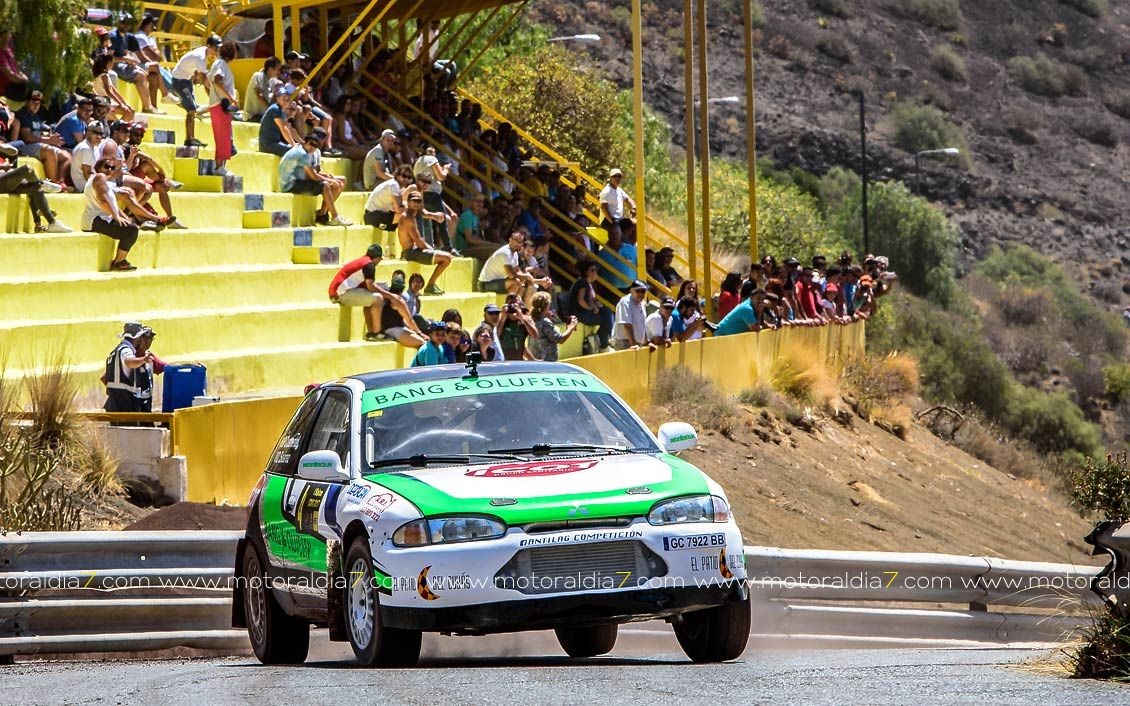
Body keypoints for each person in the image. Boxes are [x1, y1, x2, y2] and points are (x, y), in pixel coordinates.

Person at [82, 158, 142, 271]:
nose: (109, 169)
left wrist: (125, 218)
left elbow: (114, 206)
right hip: (95, 220)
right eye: (106, 166)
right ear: (98, 168)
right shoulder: (99, 177)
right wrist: (116, 217)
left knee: (131, 227)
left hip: (100, 219)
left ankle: (120, 261)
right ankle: (119, 262)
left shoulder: (104, 182)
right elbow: (102, 200)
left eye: (112, 167)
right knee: (131, 231)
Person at [278, 135, 350, 225]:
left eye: (315, 146)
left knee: (341, 180)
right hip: (289, 185)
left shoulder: (303, 151)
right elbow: (314, 176)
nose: (312, 147)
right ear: (305, 142)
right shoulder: (302, 154)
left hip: (298, 180)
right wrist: (331, 180)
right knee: (325, 185)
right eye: (311, 144)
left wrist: (329, 178)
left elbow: (311, 174)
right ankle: (335, 217)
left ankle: (322, 214)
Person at [170, 35, 221, 148]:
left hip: (187, 79)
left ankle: (191, 138)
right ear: (209, 46)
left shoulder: (203, 52)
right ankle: (189, 139)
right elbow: (205, 82)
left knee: (192, 109)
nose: (217, 51)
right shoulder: (200, 57)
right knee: (191, 109)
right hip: (179, 81)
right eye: (215, 48)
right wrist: (213, 98)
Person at [11, 90, 71, 185]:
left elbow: (38, 132)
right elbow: (28, 137)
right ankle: (53, 184)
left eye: (38, 103)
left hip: (37, 146)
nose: (36, 105)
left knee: (66, 156)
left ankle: (61, 183)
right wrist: (49, 140)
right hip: (23, 147)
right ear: (26, 102)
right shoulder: (23, 114)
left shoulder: (35, 116)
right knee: (49, 151)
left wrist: (51, 138)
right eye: (33, 102)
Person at [397, 191, 452, 295]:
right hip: (411, 253)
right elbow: (418, 241)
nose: (417, 203)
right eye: (414, 201)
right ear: (408, 202)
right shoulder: (408, 218)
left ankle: (431, 286)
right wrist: (432, 250)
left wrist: (435, 216)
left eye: (419, 201)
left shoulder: (413, 214)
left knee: (446, 256)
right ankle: (430, 286)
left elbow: (423, 212)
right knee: (446, 258)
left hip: (413, 250)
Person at [103, 322, 163, 413]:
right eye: (142, 336)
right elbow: (129, 361)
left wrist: (114, 392)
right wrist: (143, 360)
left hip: (115, 405)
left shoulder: (117, 351)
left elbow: (104, 378)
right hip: (125, 406)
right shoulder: (126, 350)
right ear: (137, 338)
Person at [207, 41, 239, 177]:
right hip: (220, 105)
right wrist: (230, 98)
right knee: (222, 136)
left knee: (225, 136)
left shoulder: (220, 64)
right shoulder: (220, 64)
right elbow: (217, 80)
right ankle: (219, 166)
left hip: (221, 105)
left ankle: (222, 166)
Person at [569, 260, 613, 351]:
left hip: (585, 312)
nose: (594, 272)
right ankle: (604, 345)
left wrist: (595, 306)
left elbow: (589, 299)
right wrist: (590, 308)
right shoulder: (583, 283)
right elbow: (580, 300)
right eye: (592, 270)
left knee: (607, 311)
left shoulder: (587, 283)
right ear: (586, 272)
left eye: (595, 270)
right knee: (605, 320)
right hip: (580, 314)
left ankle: (607, 336)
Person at [478, 227, 531, 297]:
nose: (518, 244)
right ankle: (510, 303)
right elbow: (511, 274)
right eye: (516, 240)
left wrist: (527, 277)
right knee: (516, 282)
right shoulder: (505, 253)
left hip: (498, 281)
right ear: (510, 240)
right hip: (485, 284)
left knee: (521, 283)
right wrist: (525, 276)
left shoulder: (514, 253)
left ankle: (515, 302)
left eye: (520, 242)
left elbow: (517, 270)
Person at [529, 291, 577, 362]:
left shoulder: (532, 319)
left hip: (535, 361)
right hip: (547, 362)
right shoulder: (545, 322)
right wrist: (571, 327)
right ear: (546, 305)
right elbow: (560, 339)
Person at [363, 164, 414, 230]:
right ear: (397, 175)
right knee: (406, 213)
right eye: (404, 176)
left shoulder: (399, 188)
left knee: (408, 211)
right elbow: (398, 209)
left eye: (409, 177)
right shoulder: (393, 185)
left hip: (378, 214)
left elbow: (398, 206)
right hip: (372, 216)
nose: (406, 179)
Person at [258, 86, 300, 157]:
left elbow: (288, 128)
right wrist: (293, 144)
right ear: (277, 99)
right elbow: (283, 128)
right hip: (268, 145)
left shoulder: (281, 111)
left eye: (288, 99)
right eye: (283, 98)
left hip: (274, 143)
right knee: (295, 153)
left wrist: (301, 142)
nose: (286, 101)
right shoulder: (275, 109)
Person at [454, 193, 497, 260]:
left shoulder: (476, 217)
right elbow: (469, 239)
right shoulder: (468, 215)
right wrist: (486, 243)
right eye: (477, 201)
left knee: (498, 246)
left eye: (482, 202)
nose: (480, 204)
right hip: (463, 250)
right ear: (471, 202)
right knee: (495, 249)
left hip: (472, 248)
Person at [613, 280, 652, 350]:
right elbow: (627, 325)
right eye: (638, 291)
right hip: (626, 343)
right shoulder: (625, 302)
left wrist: (646, 342)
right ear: (631, 291)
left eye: (643, 291)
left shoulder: (642, 303)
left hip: (637, 343)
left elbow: (642, 325)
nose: (640, 294)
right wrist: (633, 344)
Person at [498, 293, 537, 360]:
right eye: (510, 303)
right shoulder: (500, 319)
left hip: (518, 360)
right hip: (503, 361)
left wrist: (522, 319)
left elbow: (535, 335)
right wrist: (502, 319)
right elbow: (495, 337)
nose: (513, 306)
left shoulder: (526, 319)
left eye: (516, 304)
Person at [598, 167, 636, 234]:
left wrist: (633, 208)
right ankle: (623, 239)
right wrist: (613, 222)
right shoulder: (606, 191)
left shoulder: (619, 190)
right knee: (623, 230)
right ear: (610, 178)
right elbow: (603, 207)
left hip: (618, 220)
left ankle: (626, 240)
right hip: (607, 221)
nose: (617, 178)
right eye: (615, 176)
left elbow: (628, 199)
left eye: (619, 176)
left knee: (635, 224)